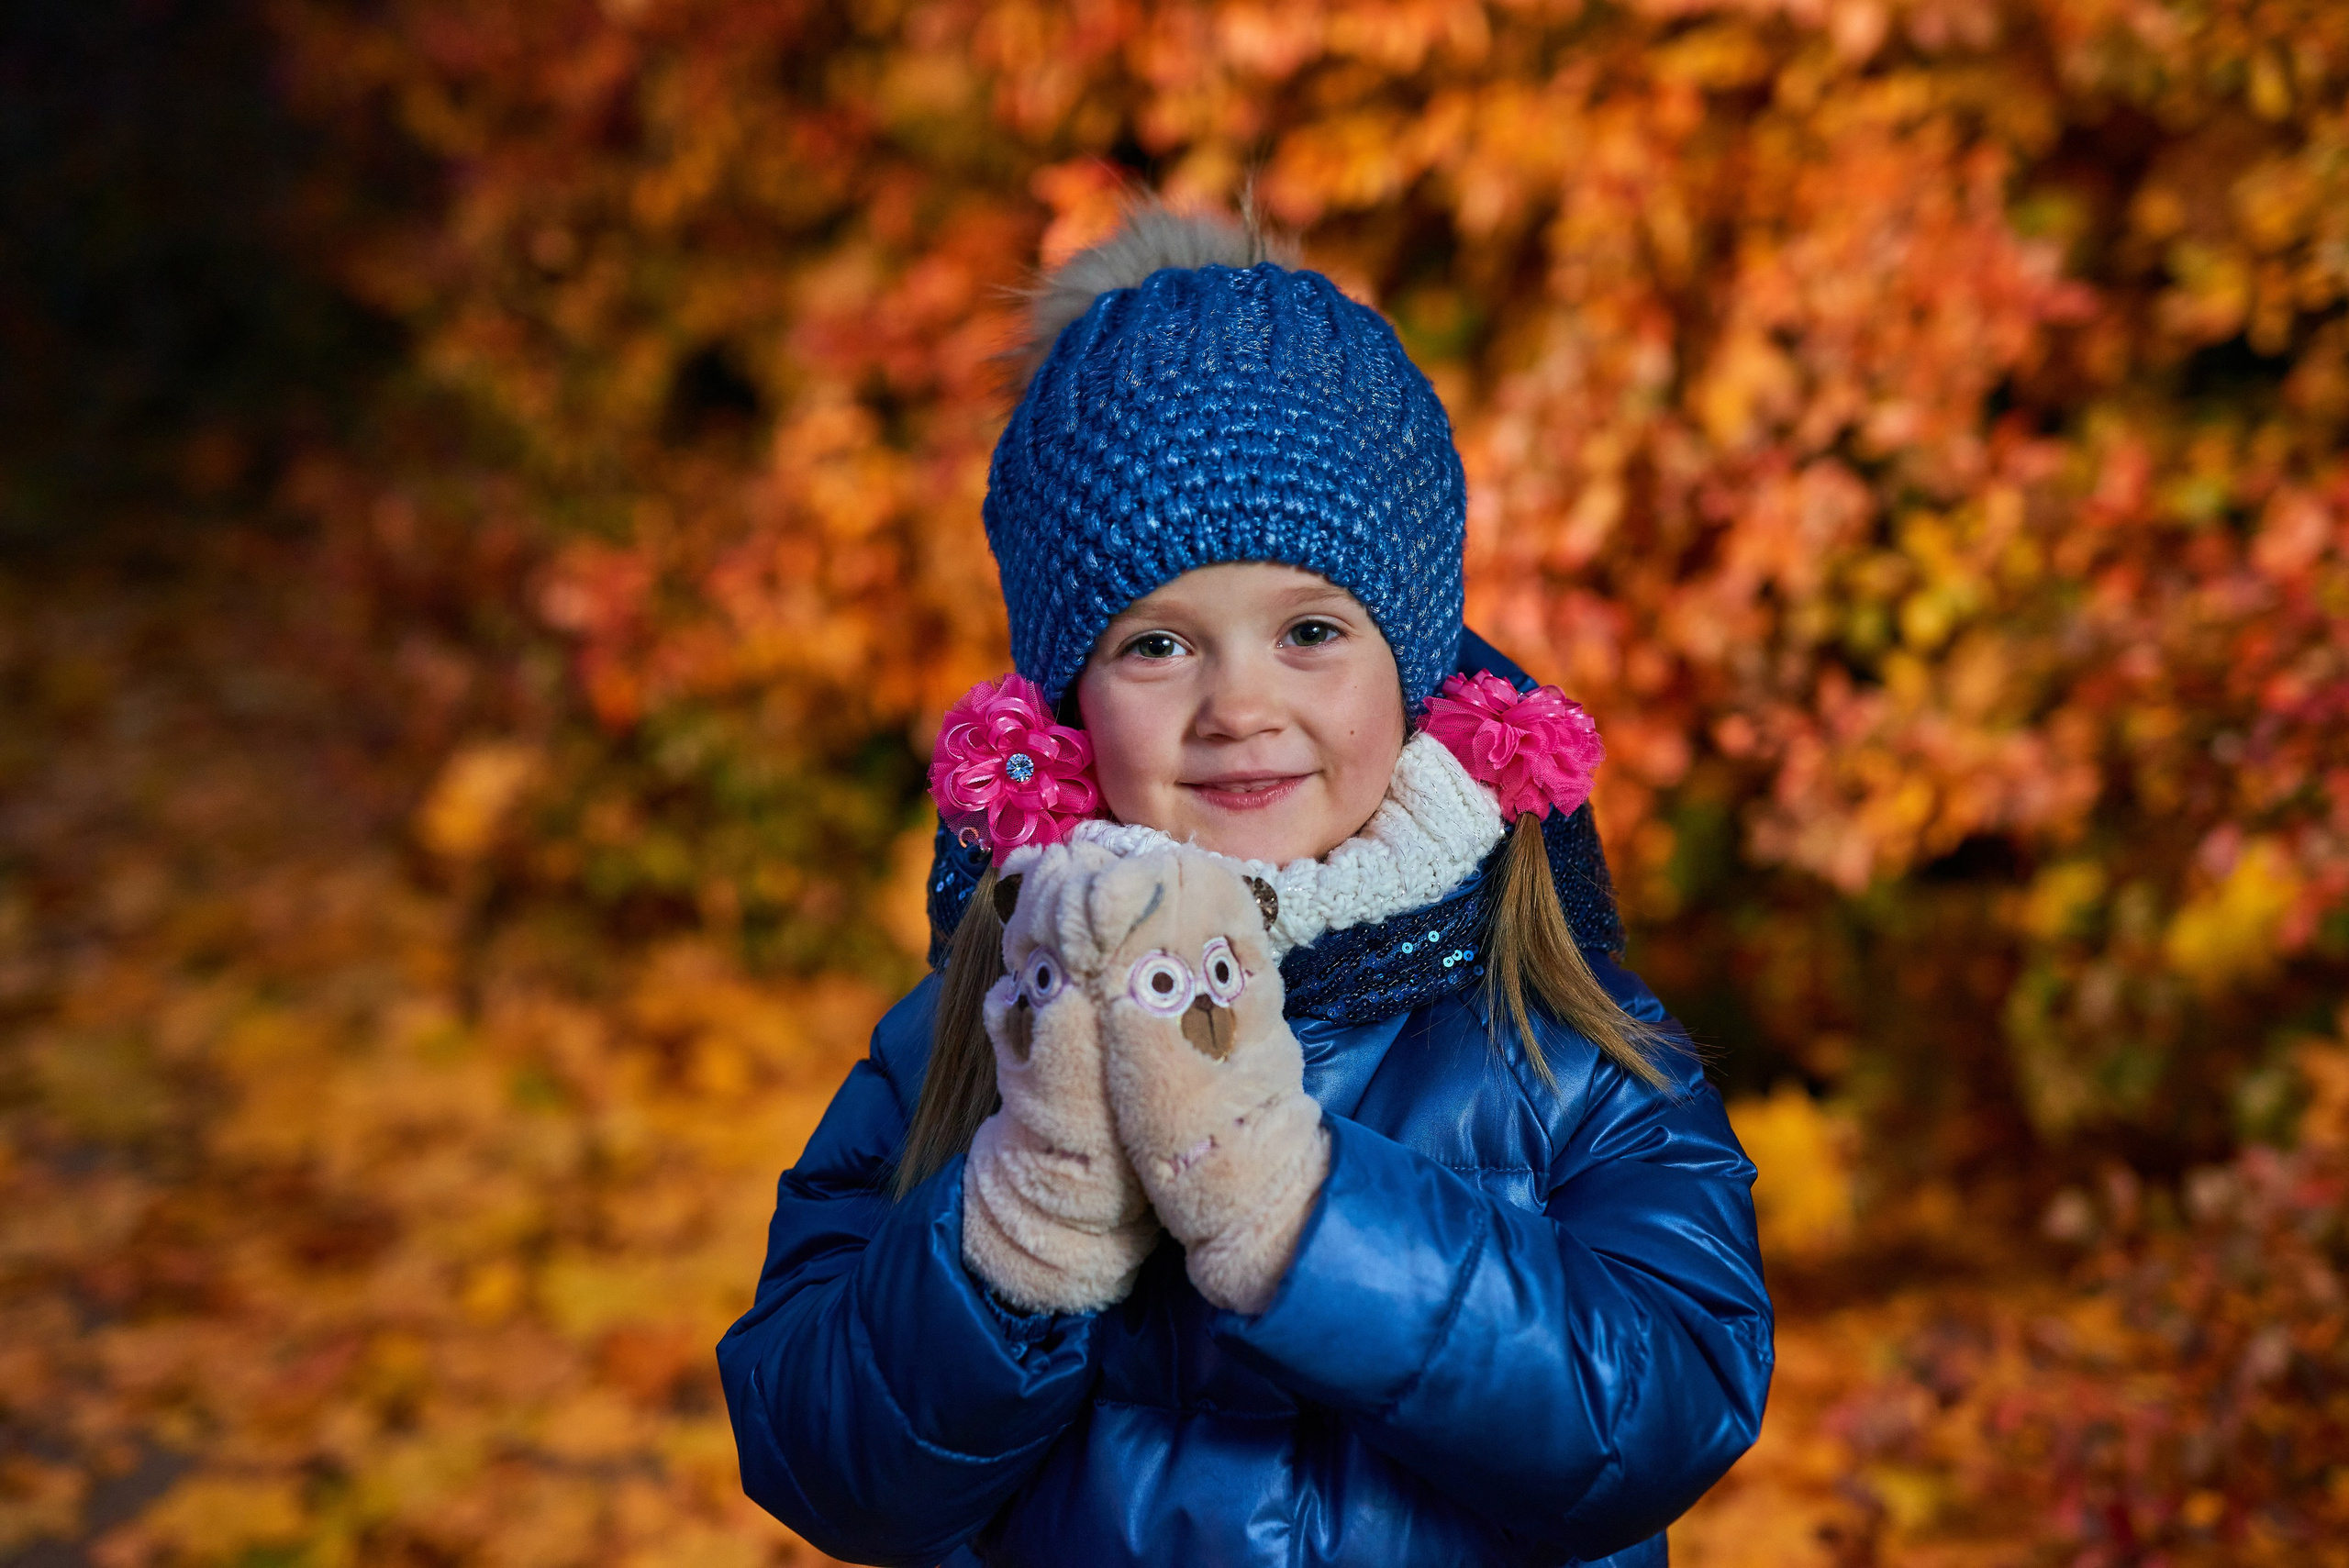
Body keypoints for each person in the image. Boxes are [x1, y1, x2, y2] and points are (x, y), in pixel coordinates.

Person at [718, 203, 1773, 1567]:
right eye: (1157, 645)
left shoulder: (1563, 1047)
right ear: (1066, 702)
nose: (1238, 707)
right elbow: (820, 1453)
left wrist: (1298, 1209)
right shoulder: (968, 1039)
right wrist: (1025, 1222)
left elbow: (1659, 1413)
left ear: (1418, 668)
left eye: (1311, 630)